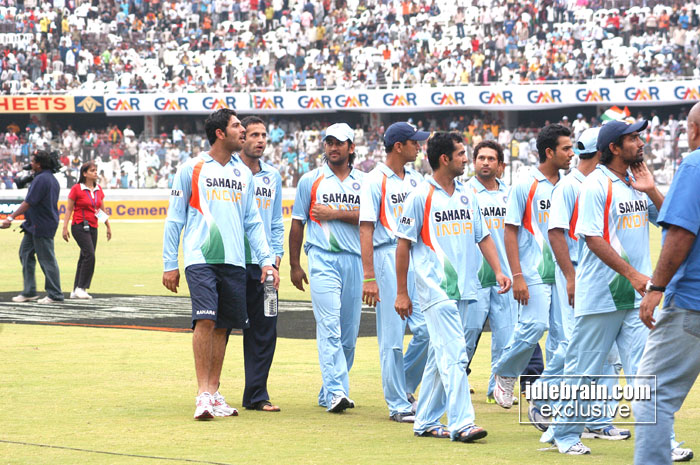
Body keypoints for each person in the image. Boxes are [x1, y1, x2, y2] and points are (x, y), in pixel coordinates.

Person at [541, 119, 674, 456]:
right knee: (583, 370)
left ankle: (663, 442)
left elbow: (671, 221)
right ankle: (565, 434)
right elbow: (593, 238)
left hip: (636, 297)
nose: (641, 143)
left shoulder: (635, 182)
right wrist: (632, 275)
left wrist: (651, 189)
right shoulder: (595, 185)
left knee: (646, 370)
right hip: (601, 293)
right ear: (613, 147)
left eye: (640, 137)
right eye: (633, 138)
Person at [162, 109, 279, 420]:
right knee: (205, 320)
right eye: (237, 126)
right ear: (219, 133)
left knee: (224, 325)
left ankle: (214, 393)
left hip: (235, 262)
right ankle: (202, 393)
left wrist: (266, 261)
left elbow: (253, 222)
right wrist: (169, 263)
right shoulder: (192, 168)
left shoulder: (243, 174)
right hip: (201, 258)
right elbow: (174, 219)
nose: (243, 131)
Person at [395, 132, 510, 441]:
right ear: (444, 159)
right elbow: (403, 245)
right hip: (435, 289)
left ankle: (425, 421)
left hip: (465, 287)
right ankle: (462, 423)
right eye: (460, 153)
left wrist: (499, 271)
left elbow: (483, 236)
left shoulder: (467, 193)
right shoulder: (420, 196)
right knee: (456, 353)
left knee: (440, 356)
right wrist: (402, 292)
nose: (465, 159)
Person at [538, 127, 629, 439]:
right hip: (577, 274)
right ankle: (545, 398)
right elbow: (555, 232)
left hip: (602, 276)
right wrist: (570, 276)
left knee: (604, 352)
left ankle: (596, 418)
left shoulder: (603, 183)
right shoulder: (570, 186)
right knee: (575, 348)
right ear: (603, 151)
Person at [634, 102, 700, 464]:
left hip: (692, 301)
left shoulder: (694, 164)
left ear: (693, 130)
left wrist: (656, 287)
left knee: (651, 395)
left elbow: (681, 232)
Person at [492, 124, 574, 408]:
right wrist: (517, 275)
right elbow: (510, 230)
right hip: (533, 271)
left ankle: (549, 396)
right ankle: (505, 372)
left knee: (564, 338)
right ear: (549, 152)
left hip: (563, 272)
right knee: (534, 326)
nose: (571, 153)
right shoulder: (526, 184)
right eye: (566, 148)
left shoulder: (570, 185)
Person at [289, 123, 364, 413]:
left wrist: (334, 214)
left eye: (339, 143)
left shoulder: (365, 181)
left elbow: (369, 218)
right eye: (329, 142)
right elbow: (298, 222)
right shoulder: (311, 180)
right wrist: (295, 264)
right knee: (329, 326)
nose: (333, 147)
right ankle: (336, 392)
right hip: (322, 257)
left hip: (355, 260)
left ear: (351, 147)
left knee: (349, 337)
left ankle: (329, 391)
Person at [359, 122, 430, 423]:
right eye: (414, 142)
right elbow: (366, 228)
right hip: (387, 254)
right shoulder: (374, 180)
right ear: (398, 146)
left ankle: (405, 387)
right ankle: (398, 404)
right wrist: (369, 276)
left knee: (427, 330)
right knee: (392, 336)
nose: (419, 147)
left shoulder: (416, 179)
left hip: (415, 255)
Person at [464, 140, 517, 403]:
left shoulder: (511, 194)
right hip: (474, 275)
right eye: (481, 158)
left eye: (491, 158)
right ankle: (456, 381)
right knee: (468, 332)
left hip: (505, 275)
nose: (485, 162)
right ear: (474, 162)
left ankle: (496, 389)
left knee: (506, 334)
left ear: (500, 165)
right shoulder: (464, 193)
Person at [238, 116, 284, 412]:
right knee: (221, 329)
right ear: (242, 138)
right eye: (254, 134)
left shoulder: (273, 176)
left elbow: (276, 222)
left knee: (265, 330)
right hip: (233, 264)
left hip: (266, 267)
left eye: (264, 135)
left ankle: (256, 395)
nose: (261, 140)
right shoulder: (230, 172)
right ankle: (211, 392)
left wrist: (276, 258)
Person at [2, 150, 63, 304]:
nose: (31, 163)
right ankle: (29, 291)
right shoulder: (48, 178)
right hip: (34, 225)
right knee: (25, 253)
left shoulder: (41, 179)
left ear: (39, 164)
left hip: (41, 224)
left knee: (46, 259)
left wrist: (10, 217)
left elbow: (29, 202)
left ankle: (55, 294)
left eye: (33, 161)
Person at [62, 161, 112, 300]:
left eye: (95, 170)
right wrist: (65, 227)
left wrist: (108, 226)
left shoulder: (98, 189)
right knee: (90, 255)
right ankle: (81, 288)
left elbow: (100, 210)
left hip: (93, 227)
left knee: (84, 256)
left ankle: (75, 290)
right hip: (79, 225)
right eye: (92, 170)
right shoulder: (76, 189)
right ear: (84, 174)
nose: (95, 172)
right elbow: (69, 209)